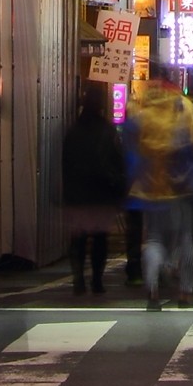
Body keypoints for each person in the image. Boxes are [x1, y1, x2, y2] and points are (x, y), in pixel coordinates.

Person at [127, 70, 193, 308]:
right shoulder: (186, 109)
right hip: (182, 185)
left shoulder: (141, 111)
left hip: (150, 186)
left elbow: (131, 147)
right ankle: (185, 292)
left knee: (153, 239)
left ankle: (153, 291)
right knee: (187, 238)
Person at [61, 82, 127, 295]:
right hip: (101, 192)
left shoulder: (73, 131)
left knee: (78, 239)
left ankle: (78, 280)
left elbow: (66, 163)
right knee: (100, 239)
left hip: (78, 193)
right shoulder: (107, 131)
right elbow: (117, 161)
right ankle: (97, 281)